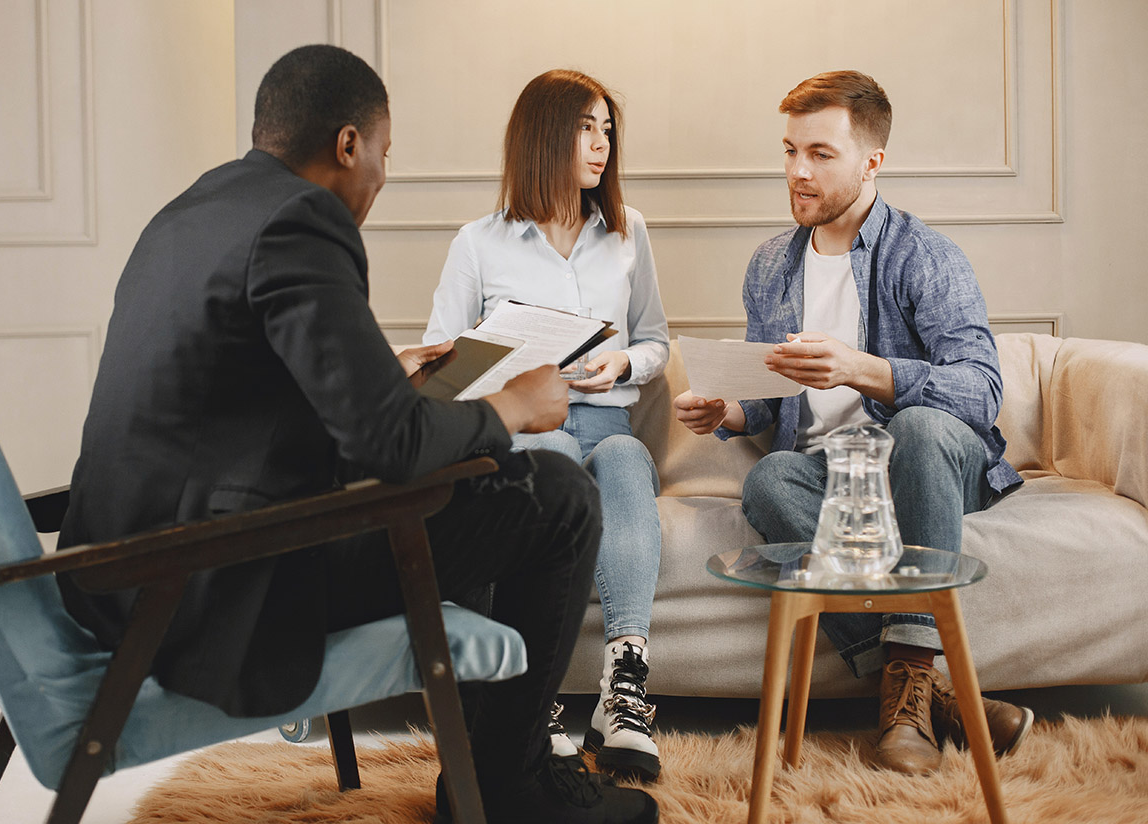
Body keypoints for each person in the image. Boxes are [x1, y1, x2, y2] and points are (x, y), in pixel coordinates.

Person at [55, 45, 657, 824]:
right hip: (218, 586)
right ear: (347, 144)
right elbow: (391, 449)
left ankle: (482, 762)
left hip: (124, 572)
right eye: (384, 153)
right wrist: (511, 404)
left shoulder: (191, 211)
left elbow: (237, 404)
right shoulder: (302, 220)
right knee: (560, 495)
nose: (381, 174)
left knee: (477, 480)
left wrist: (390, 373)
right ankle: (514, 786)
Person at [672, 70, 1033, 775]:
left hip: (928, 464)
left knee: (923, 431)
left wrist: (860, 368)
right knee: (771, 479)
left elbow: (980, 391)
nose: (797, 172)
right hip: (835, 476)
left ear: (872, 162)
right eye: (789, 151)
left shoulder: (925, 256)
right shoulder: (773, 264)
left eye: (820, 154)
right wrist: (729, 409)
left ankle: (908, 694)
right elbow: (776, 399)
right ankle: (928, 692)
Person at [424, 69, 670, 783]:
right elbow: (442, 365)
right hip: (532, 424)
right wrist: (513, 372)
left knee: (624, 457)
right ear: (542, 136)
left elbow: (657, 341)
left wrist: (622, 362)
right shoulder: (478, 243)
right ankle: (536, 706)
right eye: (585, 128)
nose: (601, 145)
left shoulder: (629, 232)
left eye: (607, 130)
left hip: (608, 417)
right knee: (552, 452)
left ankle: (624, 691)